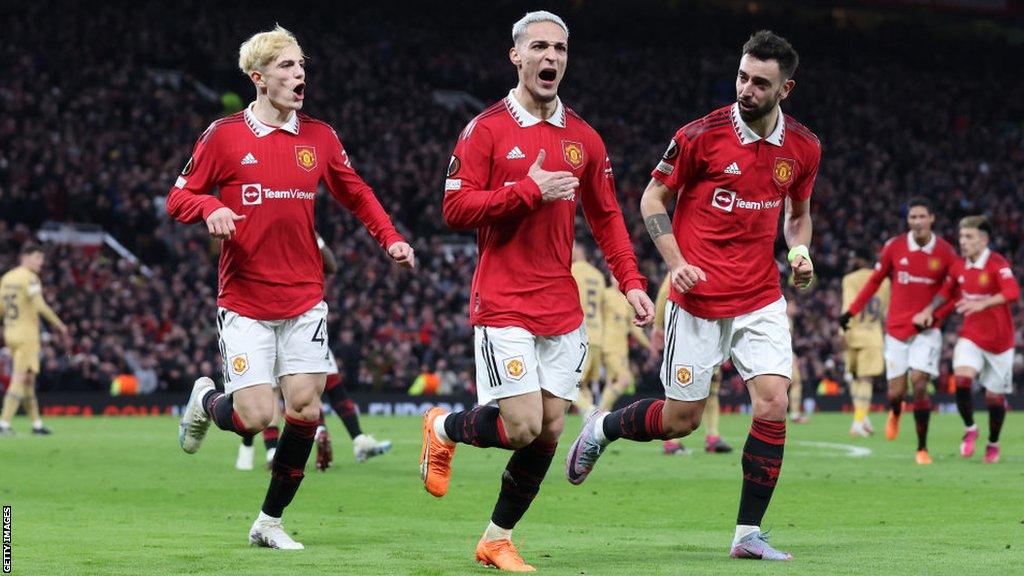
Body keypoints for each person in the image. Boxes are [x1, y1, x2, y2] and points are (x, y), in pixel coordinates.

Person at [565, 30, 820, 561]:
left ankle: (747, 534)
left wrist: (799, 253)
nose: (746, 89)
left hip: (760, 297)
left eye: (761, 83)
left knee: (773, 403)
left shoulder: (803, 147)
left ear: (785, 88)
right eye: (743, 77)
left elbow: (798, 215)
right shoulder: (699, 136)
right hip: (698, 299)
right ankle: (604, 426)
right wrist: (676, 262)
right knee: (683, 420)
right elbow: (652, 195)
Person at [419, 11, 654, 572]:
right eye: (540, 48)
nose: (551, 58)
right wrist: (527, 190)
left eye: (561, 49)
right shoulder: (486, 129)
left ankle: (496, 539)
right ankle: (443, 426)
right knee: (521, 425)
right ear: (517, 56)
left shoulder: (584, 139)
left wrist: (632, 282)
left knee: (548, 430)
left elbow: (608, 218)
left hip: (561, 307)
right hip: (503, 301)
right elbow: (454, 208)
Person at [167, 25, 414, 549]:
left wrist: (389, 238)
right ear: (258, 78)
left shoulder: (319, 137)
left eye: (301, 64)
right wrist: (210, 205)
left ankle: (269, 522)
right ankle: (205, 398)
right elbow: (178, 197)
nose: (298, 73)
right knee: (255, 418)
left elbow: (357, 194)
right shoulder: (224, 135)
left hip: (304, 298)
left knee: (304, 409)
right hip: (246, 302)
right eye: (285, 66)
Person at [236, 235, 391, 472]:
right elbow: (332, 266)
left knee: (290, 391)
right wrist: (315, 239)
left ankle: (273, 449)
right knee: (307, 388)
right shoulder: (294, 233)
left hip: (275, 321)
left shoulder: (261, 229)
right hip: (297, 320)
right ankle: (313, 436)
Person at [840, 197, 956, 464]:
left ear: (932, 218)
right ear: (908, 220)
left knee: (919, 383)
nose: (916, 222)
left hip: (927, 332)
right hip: (896, 330)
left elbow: (952, 291)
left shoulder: (946, 253)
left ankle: (922, 448)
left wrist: (934, 314)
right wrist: (851, 311)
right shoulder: (895, 247)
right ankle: (895, 412)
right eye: (912, 217)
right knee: (895, 393)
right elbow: (874, 282)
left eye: (921, 217)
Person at [913, 216, 1019, 463]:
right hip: (971, 336)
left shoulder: (997, 263)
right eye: (961, 236)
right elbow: (945, 292)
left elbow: (1012, 292)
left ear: (984, 240)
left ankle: (993, 442)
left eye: (969, 237)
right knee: (961, 380)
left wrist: (983, 303)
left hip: (1001, 343)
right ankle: (970, 427)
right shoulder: (959, 266)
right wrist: (929, 310)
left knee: (995, 399)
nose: (963, 241)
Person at [652, 276, 732, 454]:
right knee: (682, 386)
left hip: (712, 328)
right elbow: (666, 290)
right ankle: (672, 440)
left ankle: (712, 437)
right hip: (688, 331)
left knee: (713, 385)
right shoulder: (687, 257)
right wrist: (658, 327)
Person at [0, 243, 68, 436]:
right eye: (38, 258)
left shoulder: (7, 278)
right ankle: (3, 423)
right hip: (27, 335)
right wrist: (60, 325)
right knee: (20, 377)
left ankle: (36, 424)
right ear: (25, 257)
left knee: (28, 379)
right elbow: (39, 305)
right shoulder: (30, 279)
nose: (41, 262)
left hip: (10, 332)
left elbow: (1, 308)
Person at [840, 248, 890, 437]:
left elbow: (848, 306)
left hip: (852, 332)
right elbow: (885, 311)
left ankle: (861, 419)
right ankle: (860, 420)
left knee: (854, 377)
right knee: (865, 379)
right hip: (872, 333)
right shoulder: (884, 281)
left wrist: (842, 332)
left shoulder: (850, 279)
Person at [598, 275, 651, 412]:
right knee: (625, 379)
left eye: (619, 277)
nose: (617, 279)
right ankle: (597, 412)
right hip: (608, 345)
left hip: (621, 349)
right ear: (610, 278)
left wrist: (649, 345)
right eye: (615, 276)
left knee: (612, 383)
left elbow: (634, 328)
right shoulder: (605, 295)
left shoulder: (626, 300)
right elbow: (598, 319)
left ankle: (600, 420)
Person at [571, 242, 607, 416]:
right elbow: (601, 307)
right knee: (583, 385)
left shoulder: (572, 270)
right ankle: (590, 424)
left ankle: (590, 411)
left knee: (569, 384)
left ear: (579, 251)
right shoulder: (599, 276)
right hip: (598, 336)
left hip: (580, 334)